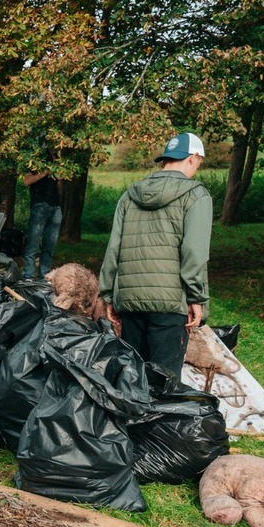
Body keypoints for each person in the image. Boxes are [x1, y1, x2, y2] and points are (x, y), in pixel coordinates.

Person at [99, 132, 212, 376]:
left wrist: (109, 295)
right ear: (192, 158)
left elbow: (113, 248)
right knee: (164, 383)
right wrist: (197, 298)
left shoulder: (130, 194)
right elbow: (194, 251)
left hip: (130, 299)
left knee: (132, 379)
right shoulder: (196, 195)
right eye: (199, 163)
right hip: (170, 302)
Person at [21, 168, 62, 279]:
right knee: (33, 243)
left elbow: (60, 191)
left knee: (50, 244)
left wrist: (59, 180)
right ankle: (28, 276)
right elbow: (26, 181)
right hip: (39, 205)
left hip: (55, 206)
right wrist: (44, 172)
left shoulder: (57, 162)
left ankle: (44, 276)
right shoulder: (35, 161)